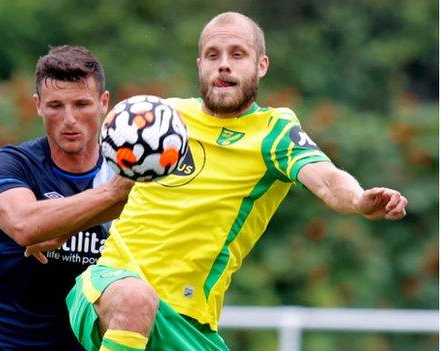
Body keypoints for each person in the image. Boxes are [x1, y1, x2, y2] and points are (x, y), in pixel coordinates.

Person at [57, 12, 408, 351]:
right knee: (135, 300)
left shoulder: (275, 133)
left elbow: (328, 181)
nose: (223, 64)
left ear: (262, 66)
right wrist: (61, 227)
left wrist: (360, 199)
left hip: (189, 322)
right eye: (213, 55)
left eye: (237, 54)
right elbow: (109, 191)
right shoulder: (163, 116)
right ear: (200, 66)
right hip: (110, 284)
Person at [0, 45, 133, 350]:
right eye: (56, 105)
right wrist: (114, 195)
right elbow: (23, 223)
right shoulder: (11, 163)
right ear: (38, 105)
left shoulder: (129, 170)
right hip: (5, 342)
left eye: (82, 104)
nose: (69, 118)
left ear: (103, 102)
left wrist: (59, 223)